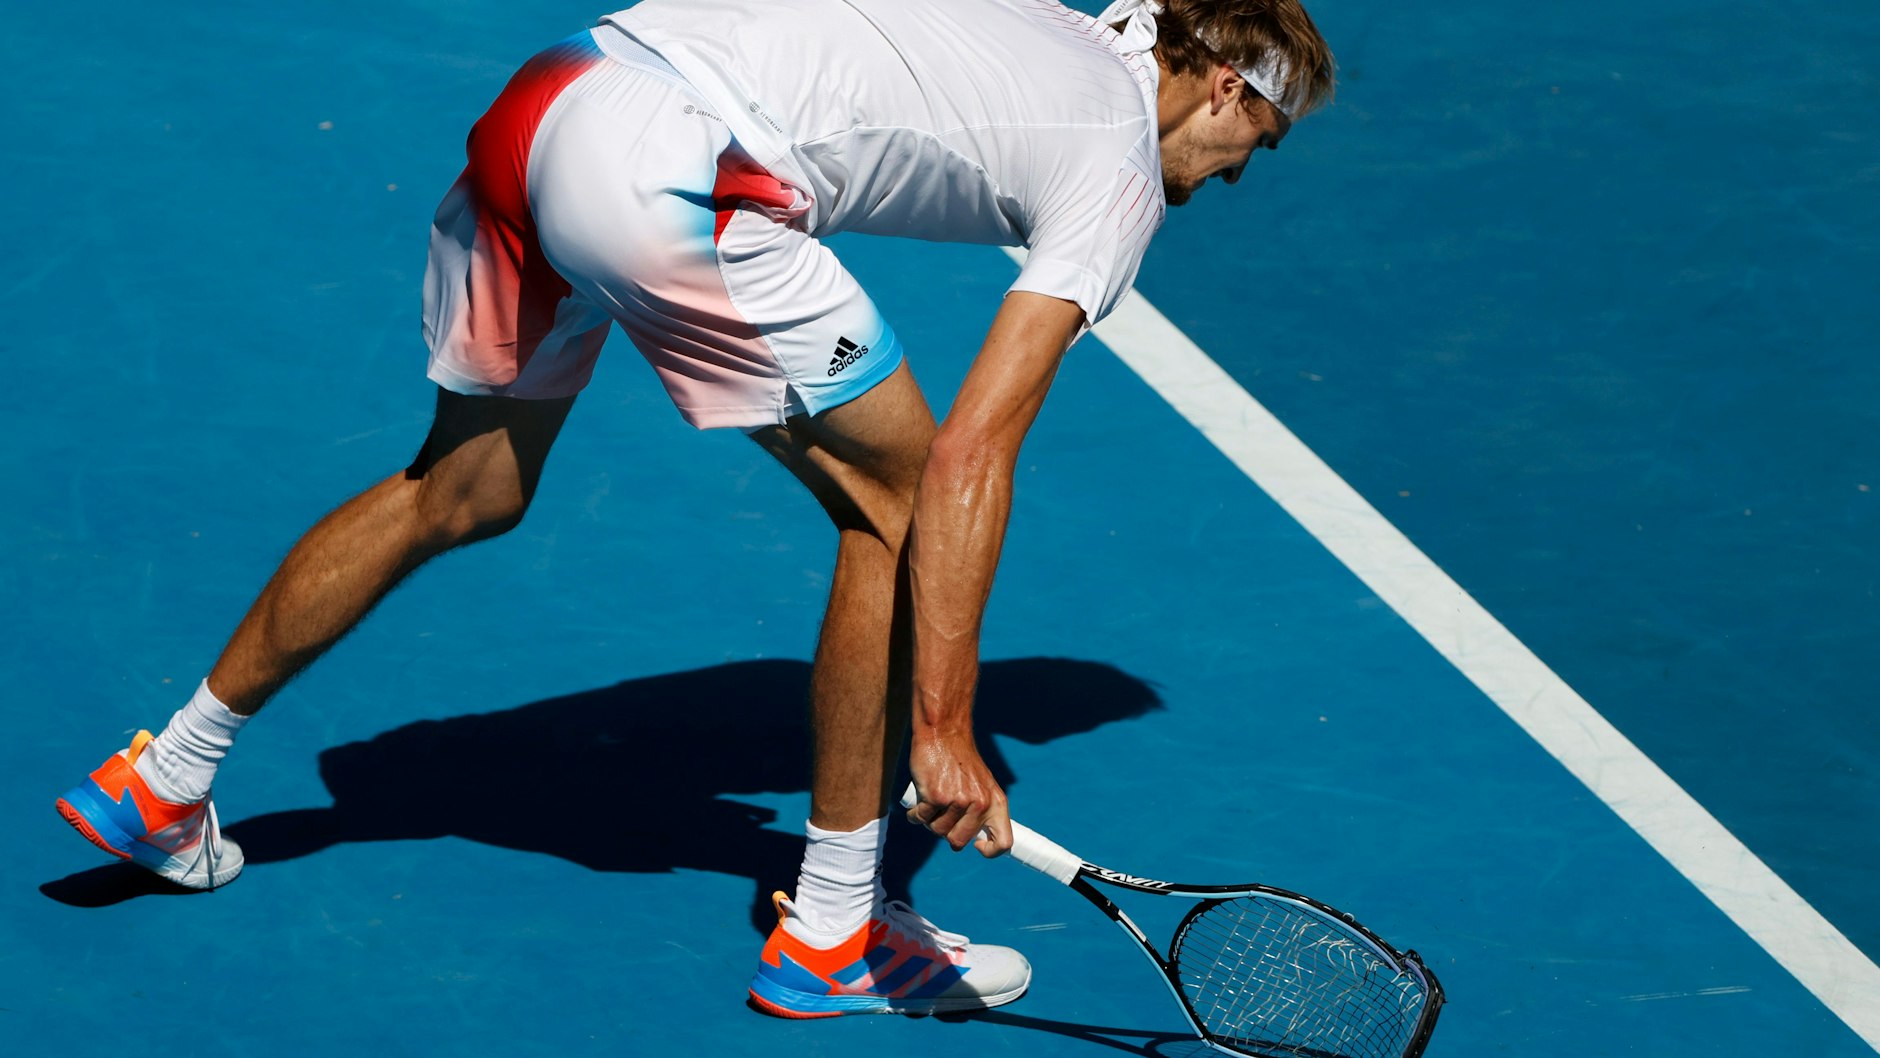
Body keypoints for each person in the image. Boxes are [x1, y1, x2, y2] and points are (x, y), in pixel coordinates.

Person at [55, 0, 1333, 1019]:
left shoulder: (1039, 24)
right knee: (894, 501)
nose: (1227, 181)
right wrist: (944, 727)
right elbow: (972, 462)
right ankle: (834, 928)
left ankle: (166, 775)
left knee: (463, 485)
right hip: (681, 169)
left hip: (548, 99)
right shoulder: (1115, 164)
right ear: (1223, 85)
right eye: (1250, 151)